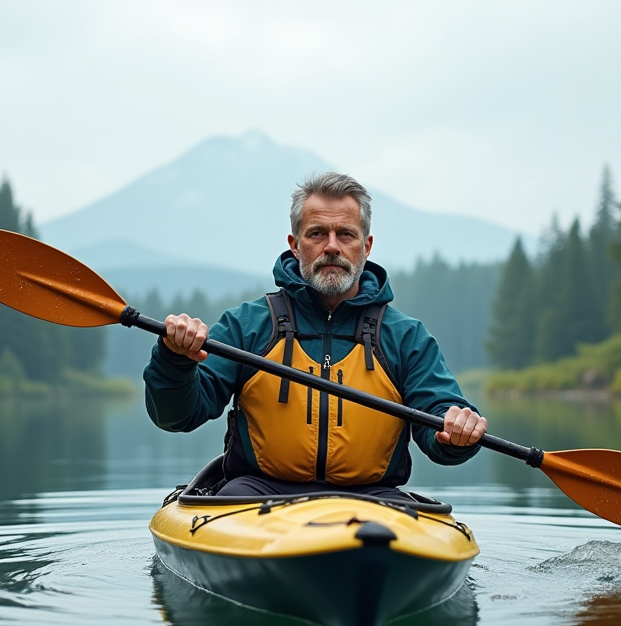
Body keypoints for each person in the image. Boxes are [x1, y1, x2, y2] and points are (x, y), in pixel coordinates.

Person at [143, 171, 487, 499]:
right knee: (231, 495)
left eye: (346, 235)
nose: (332, 247)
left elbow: (440, 417)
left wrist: (456, 433)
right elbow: (177, 417)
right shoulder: (246, 325)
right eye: (317, 233)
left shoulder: (405, 337)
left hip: (374, 498)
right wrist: (174, 359)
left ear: (366, 246)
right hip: (257, 492)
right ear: (295, 245)